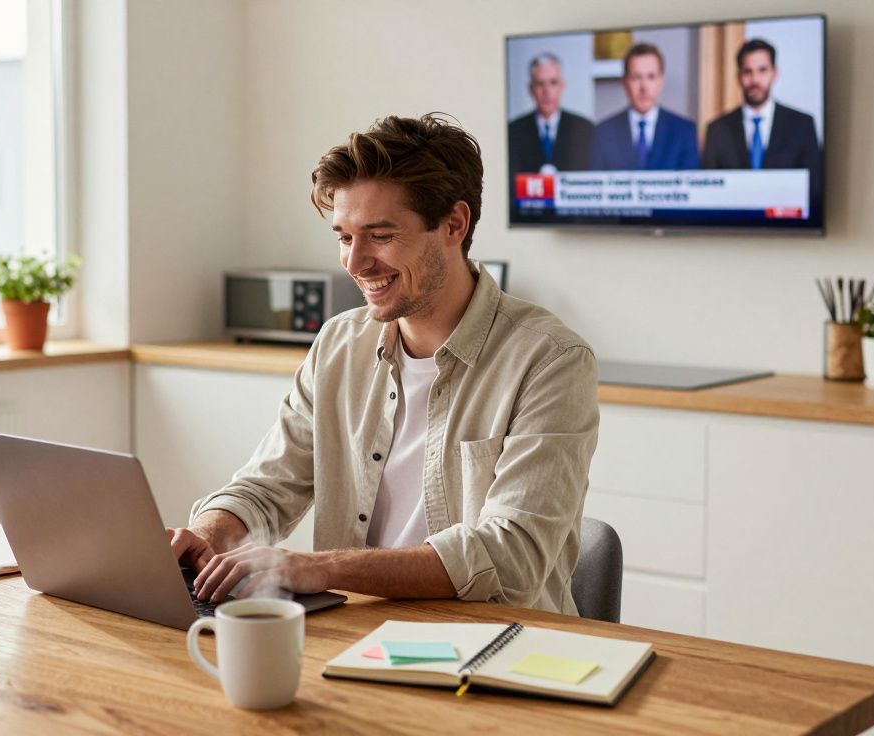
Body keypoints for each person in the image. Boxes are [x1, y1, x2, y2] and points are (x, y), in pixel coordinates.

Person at [168, 114, 599, 615]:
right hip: (354, 639)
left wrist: (322, 567)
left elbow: (511, 556)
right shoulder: (338, 344)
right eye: (345, 238)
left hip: (494, 649)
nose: (355, 264)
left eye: (380, 235)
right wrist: (205, 535)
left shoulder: (550, 361)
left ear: (454, 225)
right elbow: (268, 485)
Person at [701, 38, 821, 206]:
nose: (755, 80)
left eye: (762, 70)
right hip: (732, 226)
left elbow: (814, 191)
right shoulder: (717, 129)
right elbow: (708, 194)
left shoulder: (802, 125)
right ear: (738, 77)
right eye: (747, 72)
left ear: (775, 73)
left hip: (788, 227)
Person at [589, 43, 699, 171]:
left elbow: (693, 186)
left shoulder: (684, 131)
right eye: (636, 78)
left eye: (651, 77)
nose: (644, 87)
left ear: (661, 81)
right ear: (624, 82)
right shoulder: (603, 132)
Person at [508, 53, 594, 175]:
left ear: (561, 86)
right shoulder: (513, 131)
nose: (546, 92)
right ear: (531, 89)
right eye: (540, 84)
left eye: (553, 82)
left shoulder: (585, 129)